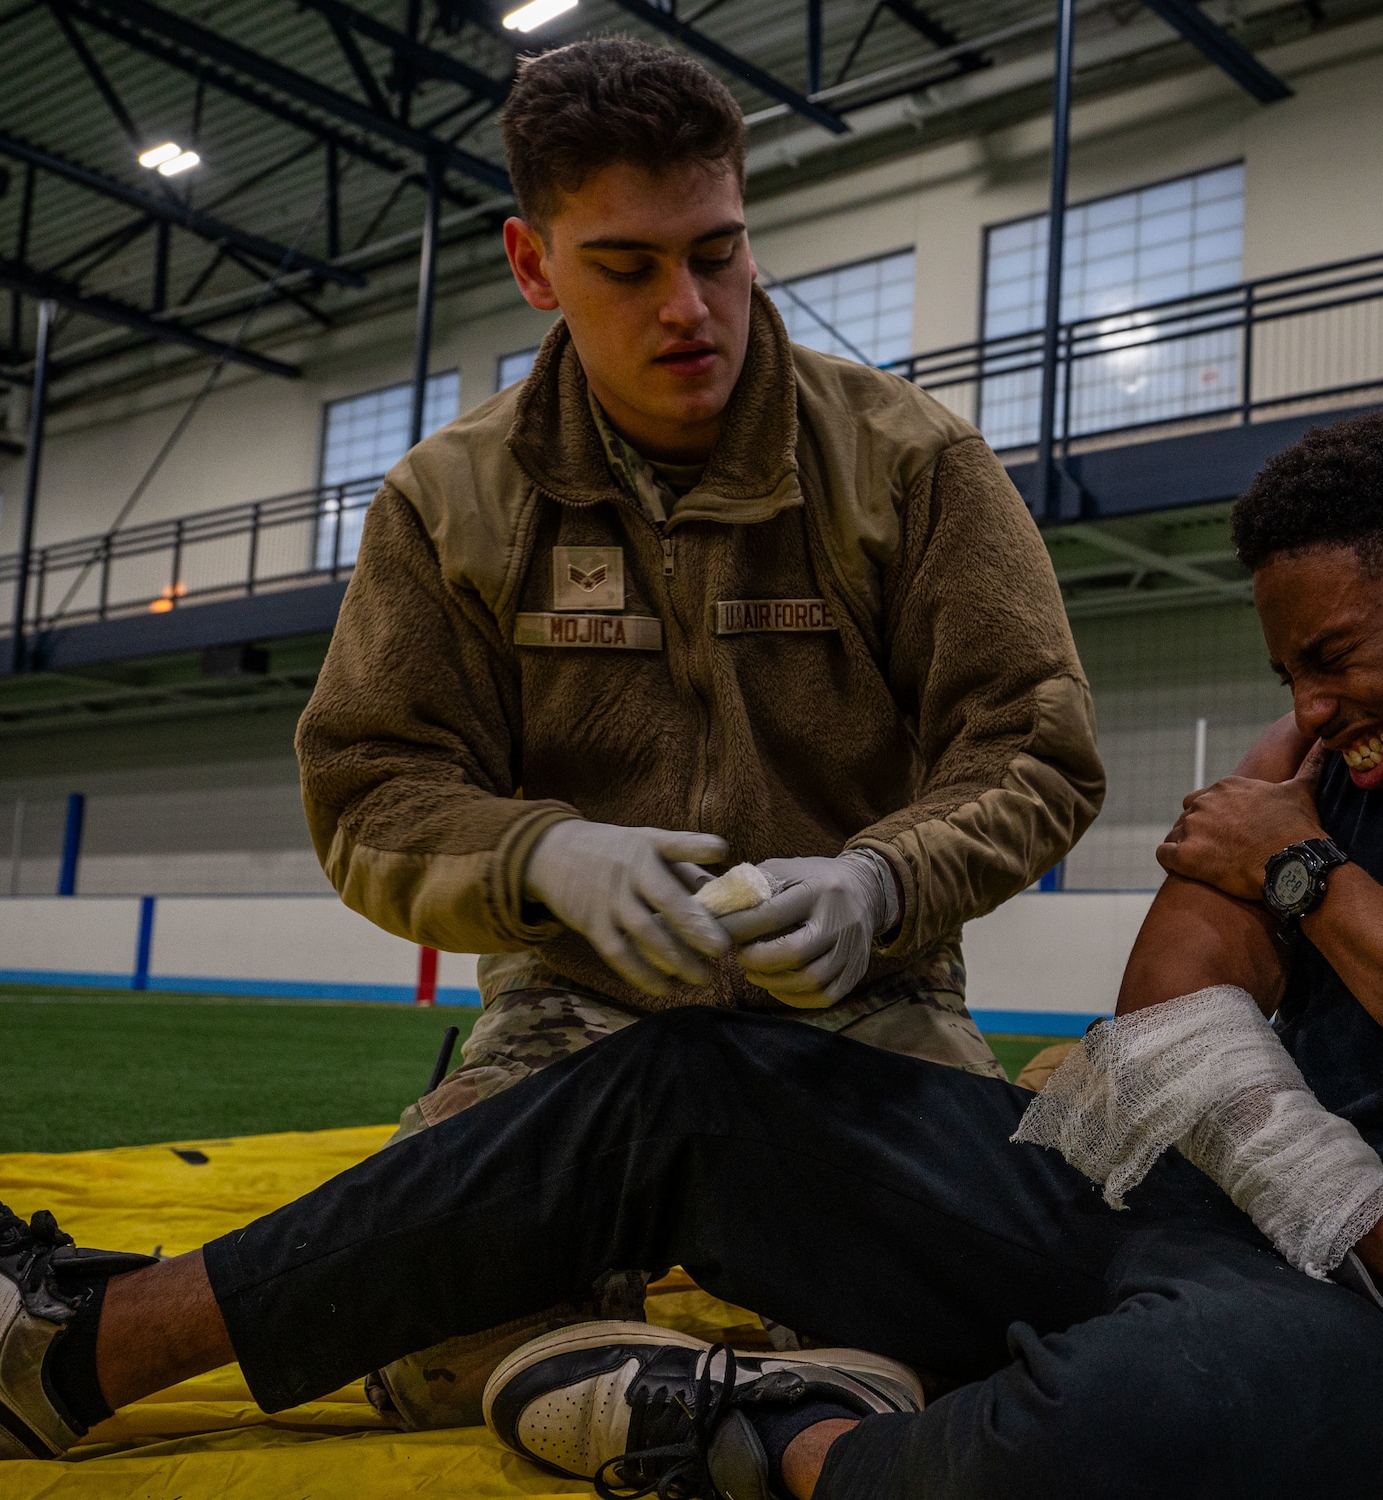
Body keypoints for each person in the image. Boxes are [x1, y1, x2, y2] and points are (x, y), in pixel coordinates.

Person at [0, 411, 1383, 1499]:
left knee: (1155, 1438)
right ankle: (55, 1352)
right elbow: (1169, 1053)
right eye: (1287, 674)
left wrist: (1304, 885)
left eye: (1334, 663)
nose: (1309, 712)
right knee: (682, 1074)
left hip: (1351, 1334)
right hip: (1174, 1216)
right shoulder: (1311, 793)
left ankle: (769, 1432)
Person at [296, 37, 1101, 1422]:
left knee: (1006, 1335)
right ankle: (722, 1394)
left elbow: (1034, 744)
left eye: (719, 254)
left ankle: (672, 1380)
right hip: (574, 1010)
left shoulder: (910, 462)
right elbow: (370, 784)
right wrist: (541, 857)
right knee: (429, 1352)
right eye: (627, 267)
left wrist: (878, 880)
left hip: (868, 999)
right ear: (532, 265)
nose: (692, 308)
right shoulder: (449, 502)